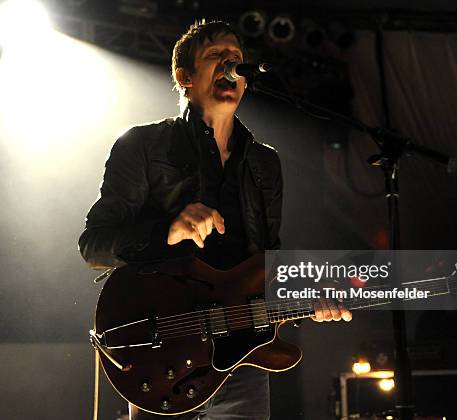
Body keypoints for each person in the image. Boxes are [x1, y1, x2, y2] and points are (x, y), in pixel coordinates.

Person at [79, 20, 351, 420]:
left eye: (237, 60)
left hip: (243, 358)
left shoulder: (264, 163)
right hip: (164, 351)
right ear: (183, 77)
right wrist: (168, 231)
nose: (230, 66)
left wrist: (314, 293)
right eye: (215, 57)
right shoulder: (143, 145)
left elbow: (266, 261)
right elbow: (94, 245)